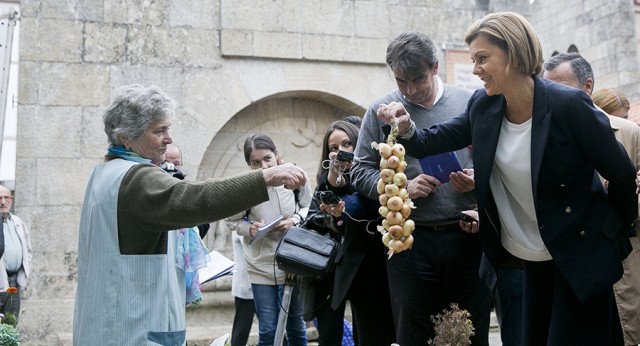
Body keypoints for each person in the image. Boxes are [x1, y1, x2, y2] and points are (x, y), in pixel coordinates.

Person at [377, 12, 637, 345]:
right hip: (525, 261)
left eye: (482, 58)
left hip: (578, 257)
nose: (475, 69)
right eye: (473, 60)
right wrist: (403, 125)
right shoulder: (483, 106)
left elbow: (621, 173)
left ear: (513, 53)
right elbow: (431, 141)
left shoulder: (568, 105)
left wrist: (616, 231)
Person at [72, 84, 307, 346]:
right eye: (159, 130)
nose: (169, 138)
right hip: (132, 328)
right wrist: (265, 178)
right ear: (127, 137)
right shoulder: (136, 178)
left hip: (109, 323)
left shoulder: (105, 172)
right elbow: (196, 200)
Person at [351, 31, 490, 346]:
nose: (410, 90)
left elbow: (498, 164)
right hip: (408, 242)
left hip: (466, 237)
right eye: (401, 81)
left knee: (468, 329)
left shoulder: (469, 103)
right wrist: (400, 191)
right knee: (413, 331)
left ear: (435, 68)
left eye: (418, 79)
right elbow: (359, 171)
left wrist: (477, 180)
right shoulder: (381, 110)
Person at [542, 52, 640, 346]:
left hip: (621, 253)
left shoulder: (627, 132)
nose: (552, 96)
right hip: (569, 260)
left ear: (587, 87)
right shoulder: (542, 131)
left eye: (560, 86)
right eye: (547, 88)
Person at [301, 120, 395, 345]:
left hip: (392, 262)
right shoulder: (327, 182)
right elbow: (329, 200)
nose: (340, 152)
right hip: (361, 271)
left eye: (347, 144)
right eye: (333, 148)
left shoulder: (380, 172)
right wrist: (334, 211)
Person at [225, 132, 312, 346]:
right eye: (256, 163)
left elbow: (310, 207)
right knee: (268, 330)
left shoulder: (296, 176)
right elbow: (232, 221)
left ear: (276, 155)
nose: (263, 167)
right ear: (249, 165)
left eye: (267, 159)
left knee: (296, 328)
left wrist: (294, 220)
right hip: (260, 265)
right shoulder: (245, 186)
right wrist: (250, 228)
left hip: (292, 262)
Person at [0, 185, 32, 324]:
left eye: (6, 197)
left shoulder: (18, 222)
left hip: (15, 282)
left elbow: (28, 250)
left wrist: (25, 271)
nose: (2, 202)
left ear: (11, 199)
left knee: (11, 323)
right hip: (1, 280)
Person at [230, 231, 256, 346]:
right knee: (241, 332)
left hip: (259, 285)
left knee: (273, 328)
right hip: (245, 288)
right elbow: (252, 244)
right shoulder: (241, 227)